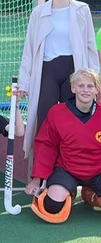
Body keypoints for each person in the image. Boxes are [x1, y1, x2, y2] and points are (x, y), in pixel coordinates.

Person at [18, 0, 99, 157]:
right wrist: (24, 82)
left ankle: (72, 163)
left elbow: (90, 45)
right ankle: (42, 166)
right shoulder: (39, 13)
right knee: (45, 117)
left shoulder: (82, 10)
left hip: (74, 72)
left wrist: (94, 77)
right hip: (48, 72)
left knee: (74, 118)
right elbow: (29, 49)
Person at [26, 68, 101, 223]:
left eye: (90, 86)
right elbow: (46, 145)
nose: (85, 90)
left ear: (96, 89)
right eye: (80, 86)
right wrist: (37, 179)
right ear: (73, 88)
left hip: (97, 170)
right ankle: (68, 193)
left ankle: (89, 194)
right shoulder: (57, 113)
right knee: (51, 206)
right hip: (67, 169)